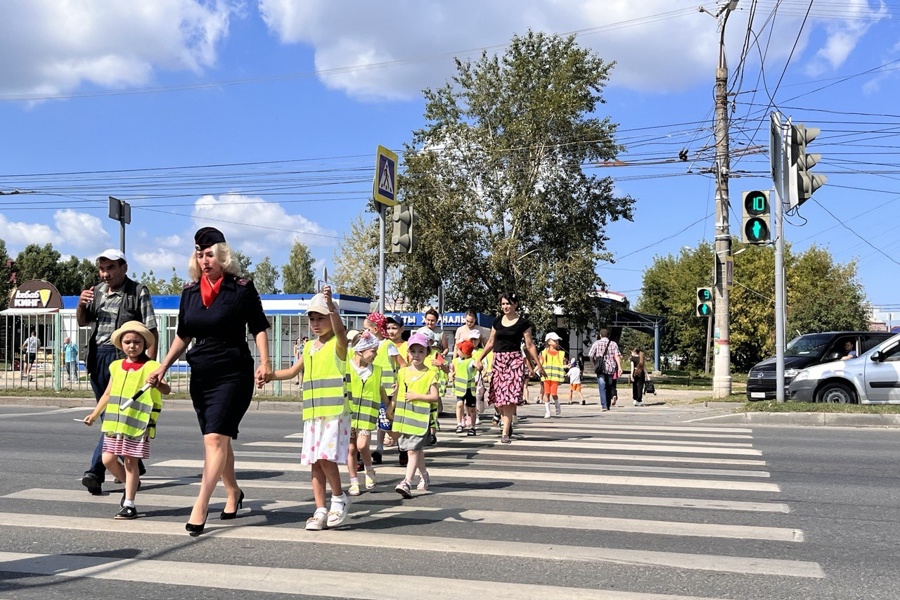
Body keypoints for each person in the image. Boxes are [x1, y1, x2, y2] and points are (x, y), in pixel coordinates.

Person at [148, 227, 271, 536]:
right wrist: (163, 365)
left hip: (233, 371)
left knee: (214, 439)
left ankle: (201, 505)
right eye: (200, 255)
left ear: (223, 256)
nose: (204, 260)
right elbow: (183, 334)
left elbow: (258, 327)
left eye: (210, 254)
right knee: (220, 439)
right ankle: (234, 493)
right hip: (202, 373)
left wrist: (265, 362)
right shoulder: (190, 292)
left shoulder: (241, 288)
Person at [266, 287, 351, 531]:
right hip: (313, 414)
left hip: (334, 413)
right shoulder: (308, 347)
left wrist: (331, 306)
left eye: (320, 318)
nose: (315, 323)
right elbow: (293, 372)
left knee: (324, 457)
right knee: (315, 461)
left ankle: (339, 498)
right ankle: (320, 509)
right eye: (312, 319)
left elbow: (341, 331)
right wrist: (269, 375)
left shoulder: (338, 343)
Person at [77, 248, 158, 496]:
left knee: (113, 415)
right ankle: (134, 464)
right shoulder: (97, 291)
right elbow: (84, 321)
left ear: (123, 267)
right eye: (102, 269)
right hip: (99, 357)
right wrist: (81, 304)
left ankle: (95, 472)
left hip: (125, 360)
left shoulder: (137, 291)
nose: (105, 274)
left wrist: (150, 367)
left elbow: (151, 330)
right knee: (109, 415)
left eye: (111, 268)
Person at [82, 321, 170, 519]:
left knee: (131, 463)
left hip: (137, 424)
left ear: (144, 344)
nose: (132, 346)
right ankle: (132, 484)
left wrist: (156, 383)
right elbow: (107, 393)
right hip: (114, 424)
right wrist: (95, 414)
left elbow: (166, 389)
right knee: (107, 459)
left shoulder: (152, 366)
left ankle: (129, 503)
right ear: (121, 344)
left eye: (137, 342)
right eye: (128, 342)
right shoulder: (115, 366)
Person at [474, 291, 544, 444]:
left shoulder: (523, 323)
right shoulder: (497, 322)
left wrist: (538, 365)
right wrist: (479, 358)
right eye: (503, 304)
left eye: (508, 303)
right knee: (499, 398)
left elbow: (529, 345)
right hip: (498, 360)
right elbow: (491, 343)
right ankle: (507, 420)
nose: (505, 306)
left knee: (509, 397)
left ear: (515, 304)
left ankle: (505, 431)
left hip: (514, 360)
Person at [393, 332, 440, 497]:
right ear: (408, 353)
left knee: (412, 451)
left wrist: (417, 396)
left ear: (427, 352)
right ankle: (424, 476)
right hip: (405, 419)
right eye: (413, 351)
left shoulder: (430, 374)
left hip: (421, 419)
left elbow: (434, 397)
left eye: (421, 351)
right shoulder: (402, 372)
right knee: (415, 450)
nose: (417, 355)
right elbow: (397, 393)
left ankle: (406, 482)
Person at [344, 331, 386, 496]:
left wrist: (389, 407)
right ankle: (354, 481)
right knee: (351, 449)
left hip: (368, 413)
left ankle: (369, 470)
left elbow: (380, 390)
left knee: (362, 445)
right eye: (373, 351)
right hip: (349, 412)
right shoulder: (347, 367)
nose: (376, 354)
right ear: (360, 350)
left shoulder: (376, 370)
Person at [588, 328, 622, 412]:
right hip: (611, 368)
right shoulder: (613, 344)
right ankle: (608, 404)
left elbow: (591, 355)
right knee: (609, 386)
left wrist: (593, 366)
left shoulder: (596, 343)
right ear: (608, 335)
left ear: (600, 335)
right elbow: (617, 355)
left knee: (602, 387)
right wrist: (619, 367)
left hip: (600, 368)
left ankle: (604, 405)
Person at [451, 339, 477, 435]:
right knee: (459, 405)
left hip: (470, 389)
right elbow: (453, 370)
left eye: (459, 350)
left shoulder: (471, 361)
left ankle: (473, 427)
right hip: (459, 388)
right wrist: (451, 374)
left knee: (472, 409)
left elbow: (475, 365)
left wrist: (478, 366)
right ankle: (459, 423)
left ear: (465, 352)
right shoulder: (456, 361)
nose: (457, 352)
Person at [539, 332, 566, 419]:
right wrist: (533, 371)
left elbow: (563, 364)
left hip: (555, 377)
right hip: (546, 376)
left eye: (557, 340)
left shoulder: (560, 353)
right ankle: (547, 411)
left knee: (554, 393)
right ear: (548, 341)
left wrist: (567, 365)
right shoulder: (544, 353)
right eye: (554, 340)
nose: (556, 342)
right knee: (546, 393)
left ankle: (557, 404)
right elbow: (540, 363)